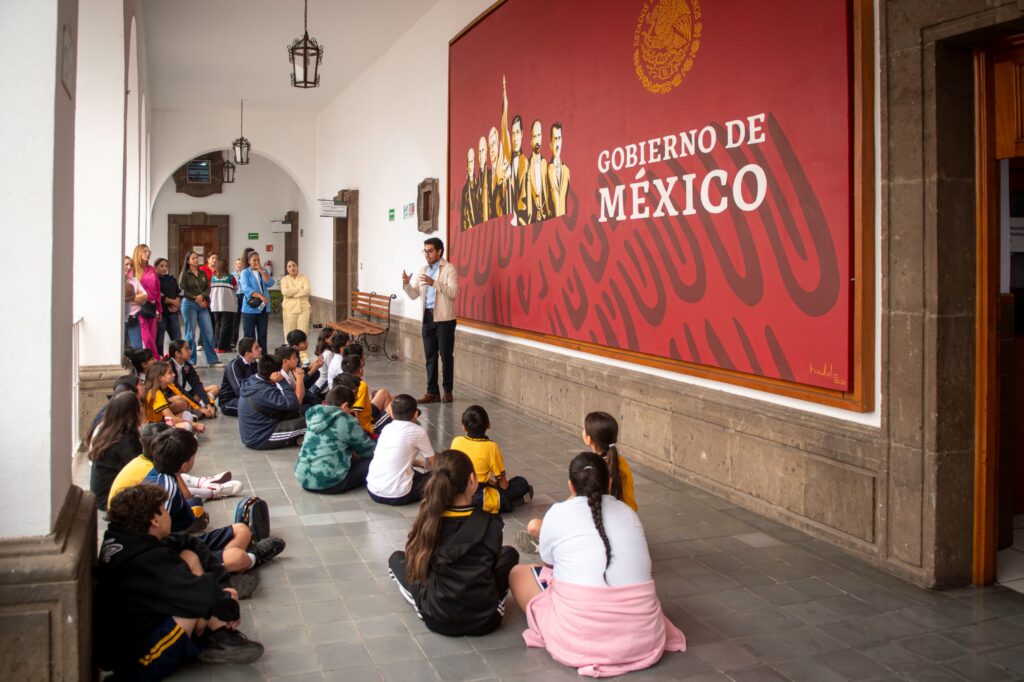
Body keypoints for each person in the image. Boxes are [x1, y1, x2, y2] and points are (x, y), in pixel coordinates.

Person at [508, 454, 686, 676]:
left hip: (578, 641)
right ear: (610, 483)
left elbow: (549, 564)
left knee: (517, 573)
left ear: (570, 486)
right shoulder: (629, 514)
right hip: (644, 639)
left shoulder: (558, 513)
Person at [94, 484, 265, 679]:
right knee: (194, 601)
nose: (168, 513)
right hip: (140, 661)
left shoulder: (127, 539)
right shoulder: (146, 562)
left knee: (188, 556)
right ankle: (213, 638)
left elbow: (188, 542)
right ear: (155, 519)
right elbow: (198, 595)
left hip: (141, 621)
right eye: (164, 509)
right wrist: (228, 604)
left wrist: (224, 585)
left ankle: (217, 633)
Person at [388, 450, 519, 637]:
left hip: (436, 618)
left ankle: (423, 600)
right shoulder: (493, 523)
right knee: (509, 554)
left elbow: (419, 565)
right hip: (485, 620)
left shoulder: (429, 520)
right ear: (472, 480)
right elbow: (489, 565)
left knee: (397, 559)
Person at [144, 428, 284, 571]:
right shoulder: (165, 490)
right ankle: (250, 558)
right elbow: (153, 537)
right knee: (238, 557)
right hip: (170, 552)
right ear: (184, 465)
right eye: (193, 456)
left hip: (181, 541)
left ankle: (222, 561)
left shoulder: (163, 472)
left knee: (242, 530)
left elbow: (186, 496)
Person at [402, 237, 459, 404]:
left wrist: (435, 283)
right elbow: (414, 295)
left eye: (430, 251)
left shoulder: (449, 269)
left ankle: (448, 391)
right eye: (425, 251)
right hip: (427, 317)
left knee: (446, 355)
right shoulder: (422, 270)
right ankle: (432, 392)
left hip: (444, 319)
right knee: (430, 356)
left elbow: (453, 293)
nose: (427, 254)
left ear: (439, 251)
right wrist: (406, 285)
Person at [294, 386, 377, 494]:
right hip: (330, 483)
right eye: (351, 408)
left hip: (303, 478)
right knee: (378, 460)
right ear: (345, 405)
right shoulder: (347, 421)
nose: (351, 411)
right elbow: (369, 451)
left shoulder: (314, 415)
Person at [451, 405, 532, 514]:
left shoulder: (457, 441)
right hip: (479, 495)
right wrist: (494, 484)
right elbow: (504, 485)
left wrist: (490, 482)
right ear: (489, 424)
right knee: (521, 482)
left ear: (464, 427)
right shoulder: (491, 447)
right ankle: (509, 502)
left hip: (456, 492)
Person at [366, 394, 434, 505]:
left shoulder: (387, 428)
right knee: (438, 477)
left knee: (409, 472)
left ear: (391, 413)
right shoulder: (418, 431)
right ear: (416, 414)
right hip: (399, 496)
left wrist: (420, 464)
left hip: (373, 491)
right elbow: (434, 463)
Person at [87, 391, 144, 510]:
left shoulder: (108, 432)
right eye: (140, 406)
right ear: (133, 413)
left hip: (102, 497)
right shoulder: (126, 439)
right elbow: (141, 472)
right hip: (112, 500)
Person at [238, 354, 306, 450]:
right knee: (311, 423)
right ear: (275, 374)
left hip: (253, 433)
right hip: (261, 438)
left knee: (302, 414)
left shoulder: (253, 380)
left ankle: (298, 438)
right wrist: (282, 381)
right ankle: (300, 438)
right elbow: (293, 404)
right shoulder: (263, 391)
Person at [179, 250, 222, 367]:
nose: (196, 260)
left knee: (208, 332)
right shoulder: (185, 274)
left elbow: (208, 288)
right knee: (190, 333)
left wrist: (203, 298)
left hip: (202, 305)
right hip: (189, 305)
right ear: (188, 261)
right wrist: (196, 298)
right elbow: (183, 290)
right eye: (193, 258)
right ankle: (191, 361)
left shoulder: (202, 273)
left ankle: (212, 360)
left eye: (197, 258)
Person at [168, 339, 218, 418]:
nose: (190, 351)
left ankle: (201, 408)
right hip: (172, 398)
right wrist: (199, 407)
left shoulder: (187, 365)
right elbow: (178, 390)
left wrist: (208, 404)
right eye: (186, 349)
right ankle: (196, 410)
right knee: (181, 401)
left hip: (184, 395)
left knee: (215, 388)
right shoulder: (168, 367)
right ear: (177, 354)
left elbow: (197, 385)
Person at [240, 250, 274, 353]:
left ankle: (263, 355)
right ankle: (250, 354)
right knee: (249, 334)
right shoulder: (245, 273)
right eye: (254, 260)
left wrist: (262, 272)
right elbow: (246, 288)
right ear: (249, 261)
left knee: (263, 334)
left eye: (258, 260)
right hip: (250, 309)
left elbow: (270, 283)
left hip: (263, 308)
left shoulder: (263, 271)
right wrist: (260, 296)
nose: (256, 262)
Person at [133, 244, 164, 356]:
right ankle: (156, 358)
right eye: (145, 251)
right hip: (139, 308)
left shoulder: (151, 269)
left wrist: (159, 309)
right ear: (138, 253)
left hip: (151, 307)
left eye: (148, 251)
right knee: (146, 338)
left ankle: (151, 360)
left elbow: (157, 290)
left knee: (152, 336)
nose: (148, 253)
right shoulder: (133, 269)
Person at [219, 337, 260, 417]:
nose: (260, 349)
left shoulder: (254, 363)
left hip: (248, 398)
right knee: (260, 408)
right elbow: (240, 390)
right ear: (248, 353)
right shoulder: (234, 366)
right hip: (230, 401)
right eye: (256, 348)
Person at [280, 260, 312, 363]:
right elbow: (285, 292)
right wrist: (299, 289)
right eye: (289, 266)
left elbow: (307, 291)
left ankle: (303, 356)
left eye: (294, 265)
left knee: (303, 333)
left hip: (303, 309)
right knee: (289, 333)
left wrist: (293, 293)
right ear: (287, 269)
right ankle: (289, 355)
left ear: (297, 267)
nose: (292, 268)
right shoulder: (284, 280)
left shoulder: (304, 278)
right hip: (289, 310)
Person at [274, 344, 321, 412]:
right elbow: (298, 401)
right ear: (285, 361)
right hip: (288, 409)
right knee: (309, 408)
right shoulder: (279, 376)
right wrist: (299, 379)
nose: (297, 359)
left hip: (295, 400)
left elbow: (299, 390)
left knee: (313, 399)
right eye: (294, 358)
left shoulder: (290, 370)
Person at [154, 257, 183, 355]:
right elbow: (159, 295)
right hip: (161, 314)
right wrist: (173, 302)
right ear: (156, 267)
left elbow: (179, 292)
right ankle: (160, 358)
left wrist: (177, 303)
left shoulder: (171, 278)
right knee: (159, 340)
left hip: (173, 313)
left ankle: (176, 359)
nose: (164, 268)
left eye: (166, 266)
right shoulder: (154, 280)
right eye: (161, 266)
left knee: (177, 339)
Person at [209, 258, 237, 353]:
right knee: (226, 326)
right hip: (228, 305)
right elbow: (236, 288)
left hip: (215, 305)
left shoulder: (213, 277)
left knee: (218, 325)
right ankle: (223, 346)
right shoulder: (230, 277)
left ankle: (217, 345)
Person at [527, 118, 549, 223]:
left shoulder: (545, 164)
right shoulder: (526, 166)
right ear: (530, 140)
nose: (537, 140)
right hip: (531, 222)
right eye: (534, 136)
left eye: (539, 135)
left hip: (546, 219)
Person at [546, 122, 570, 217]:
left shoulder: (566, 171)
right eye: (555, 139)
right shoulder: (547, 169)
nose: (557, 144)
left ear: (562, 141)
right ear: (551, 144)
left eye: (559, 138)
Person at [124, 255, 147, 351]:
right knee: (121, 347)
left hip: (133, 317)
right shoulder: (115, 281)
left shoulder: (134, 281)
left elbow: (145, 297)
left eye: (131, 265)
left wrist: (129, 299)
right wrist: (136, 298)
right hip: (121, 319)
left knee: (138, 348)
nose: (129, 267)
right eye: (126, 264)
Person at [460, 146, 478, 230]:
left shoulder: (480, 185)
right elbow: (463, 218)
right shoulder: (465, 191)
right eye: (468, 163)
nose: (470, 166)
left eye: (471, 162)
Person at [232, 257, 245, 347]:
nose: (238, 266)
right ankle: (233, 341)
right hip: (235, 297)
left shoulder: (246, 274)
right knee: (235, 320)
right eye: (237, 264)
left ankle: (246, 341)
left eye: (240, 264)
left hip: (245, 296)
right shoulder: (232, 275)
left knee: (245, 319)